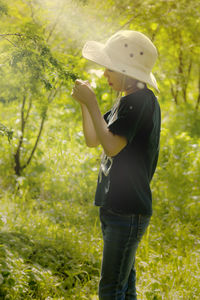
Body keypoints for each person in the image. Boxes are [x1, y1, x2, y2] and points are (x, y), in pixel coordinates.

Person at [71, 30, 161, 300]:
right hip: (115, 208)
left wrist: (93, 102)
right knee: (124, 286)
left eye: (109, 68)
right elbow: (93, 139)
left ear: (126, 69)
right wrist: (86, 106)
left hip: (128, 210)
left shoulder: (142, 101)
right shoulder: (126, 100)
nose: (105, 74)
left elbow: (112, 146)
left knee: (110, 289)